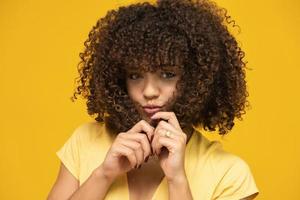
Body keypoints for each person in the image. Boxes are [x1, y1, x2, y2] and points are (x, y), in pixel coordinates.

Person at [47, 0, 259, 199]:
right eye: (135, 75)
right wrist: (104, 174)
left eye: (167, 74)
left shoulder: (230, 173)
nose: (149, 91)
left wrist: (177, 180)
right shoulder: (85, 141)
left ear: (195, 78)